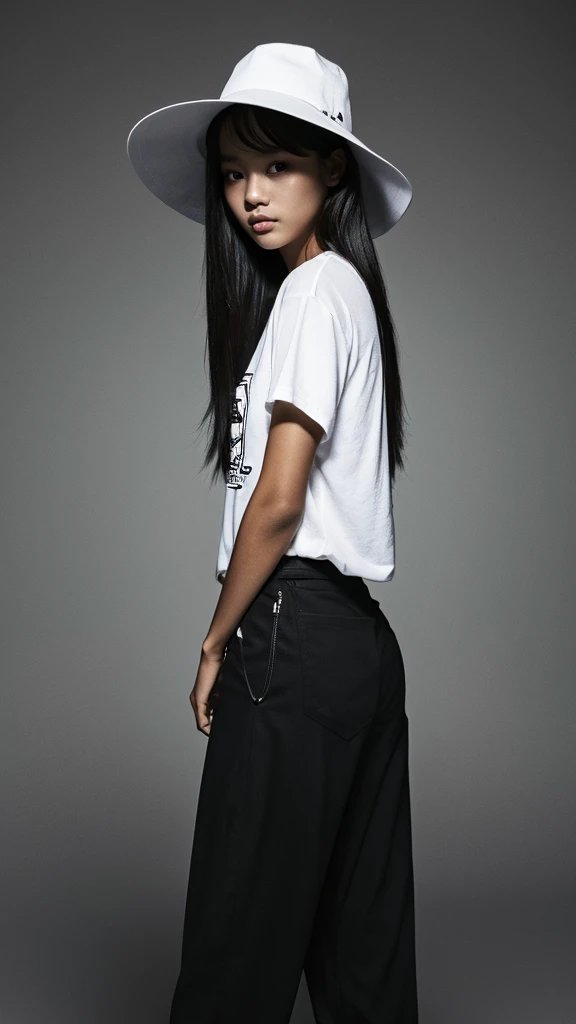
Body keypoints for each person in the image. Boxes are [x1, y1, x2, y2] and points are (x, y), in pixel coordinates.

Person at [127, 41, 418, 1024]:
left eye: (277, 164)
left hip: (290, 637)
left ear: (333, 167)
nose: (251, 193)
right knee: (360, 952)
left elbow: (280, 500)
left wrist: (216, 641)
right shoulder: (344, 293)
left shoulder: (309, 291)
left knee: (236, 950)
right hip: (358, 650)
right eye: (234, 172)